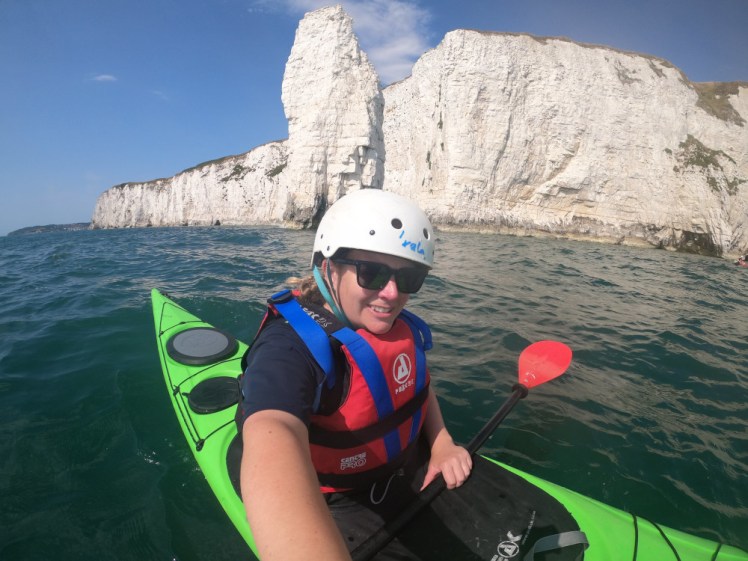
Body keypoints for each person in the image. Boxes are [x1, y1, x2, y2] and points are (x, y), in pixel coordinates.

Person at [238, 189, 473, 560]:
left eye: (409, 276)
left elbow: (414, 387)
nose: (392, 294)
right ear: (328, 266)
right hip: (338, 499)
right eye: (372, 273)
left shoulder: (394, 328)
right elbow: (273, 432)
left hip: (407, 467)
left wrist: (442, 442)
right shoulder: (288, 348)